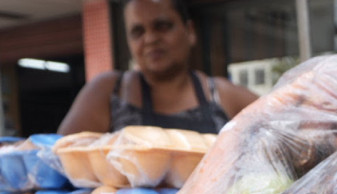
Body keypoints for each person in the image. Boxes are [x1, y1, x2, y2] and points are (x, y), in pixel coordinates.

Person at [58, 0, 257, 135]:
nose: (151, 38)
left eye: (162, 26)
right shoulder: (109, 92)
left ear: (189, 31)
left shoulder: (222, 96)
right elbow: (58, 160)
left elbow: (276, 128)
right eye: (138, 31)